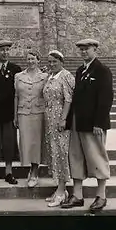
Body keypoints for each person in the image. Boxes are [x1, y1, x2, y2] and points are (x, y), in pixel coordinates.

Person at [61, 39, 113, 213]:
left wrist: (99, 122)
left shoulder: (102, 70)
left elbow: (106, 99)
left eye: (87, 49)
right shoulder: (80, 70)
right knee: (76, 158)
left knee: (96, 157)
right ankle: (77, 195)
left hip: (93, 124)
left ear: (95, 49)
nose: (83, 52)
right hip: (78, 122)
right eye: (81, 49)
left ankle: (101, 196)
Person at [0, 40, 22, 185]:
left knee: (9, 142)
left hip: (9, 112)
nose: (5, 53)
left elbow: (19, 92)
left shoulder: (16, 69)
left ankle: (8, 172)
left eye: (7, 50)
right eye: (2, 50)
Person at [42, 50, 75, 207]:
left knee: (62, 153)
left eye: (55, 61)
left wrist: (63, 119)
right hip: (49, 120)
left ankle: (62, 191)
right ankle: (59, 189)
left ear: (62, 61)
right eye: (49, 61)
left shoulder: (66, 76)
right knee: (55, 153)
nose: (51, 64)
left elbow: (68, 99)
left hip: (60, 119)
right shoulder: (50, 76)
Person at [14, 50, 48, 187]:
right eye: (28, 59)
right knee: (26, 142)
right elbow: (16, 96)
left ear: (38, 60)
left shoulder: (45, 76)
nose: (30, 61)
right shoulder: (18, 76)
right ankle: (30, 168)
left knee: (36, 142)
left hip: (38, 112)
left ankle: (34, 171)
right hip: (23, 113)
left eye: (33, 59)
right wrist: (15, 114)